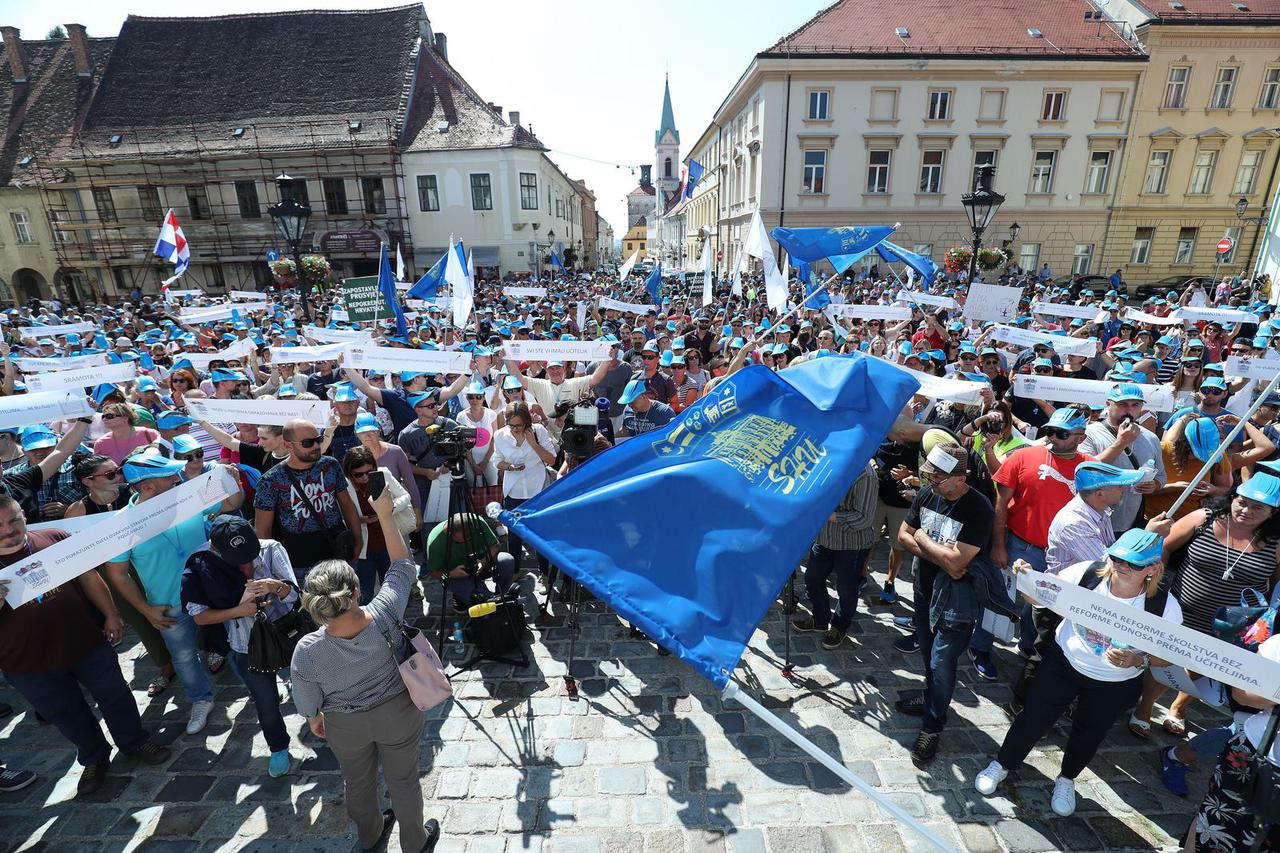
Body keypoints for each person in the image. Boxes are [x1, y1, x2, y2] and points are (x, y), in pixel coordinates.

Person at [976, 529, 1180, 818]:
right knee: (1033, 718)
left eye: (1133, 564)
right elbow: (1041, 600)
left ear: (1153, 568)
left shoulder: (1164, 605)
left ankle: (1067, 779)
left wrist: (1139, 658)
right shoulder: (1088, 573)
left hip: (1114, 683)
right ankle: (1002, 763)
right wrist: (1030, 579)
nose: (1121, 567)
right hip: (1065, 663)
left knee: (1090, 733)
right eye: (1117, 559)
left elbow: (1167, 657)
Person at [290, 486, 442, 853]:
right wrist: (386, 515)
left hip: (346, 724)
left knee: (356, 783)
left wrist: (314, 719)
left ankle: (370, 837)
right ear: (356, 590)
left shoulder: (307, 650)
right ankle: (415, 842)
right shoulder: (385, 611)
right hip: (398, 712)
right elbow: (403, 565)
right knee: (404, 781)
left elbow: (308, 704)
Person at [0, 494, 171, 795]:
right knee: (67, 714)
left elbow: (89, 577)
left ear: (23, 516)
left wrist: (111, 615)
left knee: (116, 695)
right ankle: (94, 757)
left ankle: (134, 741)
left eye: (13, 519)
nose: (7, 529)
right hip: (28, 662)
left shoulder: (54, 537)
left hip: (85, 641)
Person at [1133, 474, 1280, 746]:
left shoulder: (1276, 543)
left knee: (1202, 666)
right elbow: (1164, 546)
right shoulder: (1204, 517)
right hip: (1180, 609)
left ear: (1273, 512)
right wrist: (1157, 584)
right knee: (1164, 659)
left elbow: (1274, 581)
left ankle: (1178, 707)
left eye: (1257, 508)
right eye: (1242, 502)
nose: (1246, 511)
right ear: (1233, 497)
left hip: (1230, 624)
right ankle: (1145, 706)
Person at [104, 449, 241, 735]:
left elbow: (231, 504)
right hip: (167, 605)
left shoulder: (187, 497)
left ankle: (254, 685)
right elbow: (118, 574)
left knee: (238, 638)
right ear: (148, 486)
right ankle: (201, 700)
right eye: (170, 475)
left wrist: (232, 483)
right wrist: (145, 610)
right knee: (184, 658)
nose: (178, 476)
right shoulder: (119, 524)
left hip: (213, 592)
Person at [893, 443, 1004, 766]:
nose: (931, 483)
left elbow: (957, 565)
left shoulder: (979, 509)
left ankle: (933, 725)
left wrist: (924, 540)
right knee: (928, 657)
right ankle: (932, 701)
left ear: (961, 477)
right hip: (924, 592)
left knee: (942, 663)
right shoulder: (929, 494)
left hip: (958, 602)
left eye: (938, 479)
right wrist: (939, 553)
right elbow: (902, 535)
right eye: (929, 476)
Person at [182, 515, 299, 778]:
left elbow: (295, 595)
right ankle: (278, 747)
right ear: (216, 550)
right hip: (246, 644)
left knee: (308, 686)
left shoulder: (272, 549)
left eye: (249, 554)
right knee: (265, 701)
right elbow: (199, 616)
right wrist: (239, 610)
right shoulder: (201, 562)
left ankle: (320, 723)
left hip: (286, 633)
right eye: (237, 559)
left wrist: (275, 587)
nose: (246, 564)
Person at [984, 407, 1094, 666]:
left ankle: (1027, 647)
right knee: (1000, 598)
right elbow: (1000, 505)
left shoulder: (1091, 468)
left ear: (1080, 436)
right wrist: (998, 545)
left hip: (1063, 558)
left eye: (1061, 433)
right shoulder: (1023, 457)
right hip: (1020, 546)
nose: (1053, 437)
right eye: (1049, 431)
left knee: (1040, 607)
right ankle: (981, 648)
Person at [254, 418, 362, 585]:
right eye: (307, 443)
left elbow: (346, 504)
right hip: (299, 564)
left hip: (338, 552)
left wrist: (357, 539)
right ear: (288, 445)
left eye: (317, 440)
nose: (316, 446)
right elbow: (263, 530)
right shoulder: (270, 480)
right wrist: (273, 568)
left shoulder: (330, 465)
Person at [793, 462, 879, 649]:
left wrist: (833, 516)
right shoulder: (828, 463)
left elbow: (864, 518)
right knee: (813, 579)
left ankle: (839, 627)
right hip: (824, 539)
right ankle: (819, 620)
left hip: (851, 545)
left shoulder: (866, 475)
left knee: (847, 589)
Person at [1082, 384, 1165, 534]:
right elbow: (1085, 471)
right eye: (1122, 404)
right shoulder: (1089, 433)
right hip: (1093, 521)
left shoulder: (1151, 438)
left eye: (1135, 405)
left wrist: (1154, 485)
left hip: (1132, 522)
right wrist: (1121, 443)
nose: (1129, 410)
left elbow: (1161, 477)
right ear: (1108, 404)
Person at [342, 446, 416, 605]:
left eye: (369, 472)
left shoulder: (383, 474)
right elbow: (340, 514)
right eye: (358, 474)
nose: (365, 478)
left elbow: (405, 496)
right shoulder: (343, 485)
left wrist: (388, 509)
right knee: (364, 594)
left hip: (388, 543)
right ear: (349, 473)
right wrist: (356, 520)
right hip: (363, 548)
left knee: (393, 591)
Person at [493, 401, 558, 577]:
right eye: (511, 425)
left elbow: (552, 460)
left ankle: (545, 575)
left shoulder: (538, 431)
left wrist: (533, 443)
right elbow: (496, 460)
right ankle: (514, 573)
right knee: (514, 535)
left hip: (537, 491)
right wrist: (510, 467)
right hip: (513, 491)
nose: (515, 429)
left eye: (519, 425)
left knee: (539, 536)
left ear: (527, 422)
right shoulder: (500, 435)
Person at [424, 512, 517, 607]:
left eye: (469, 537)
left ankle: (502, 595)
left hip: (481, 564)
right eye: (459, 541)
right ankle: (476, 599)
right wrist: (451, 573)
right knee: (482, 601)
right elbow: (433, 572)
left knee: (506, 560)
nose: (465, 541)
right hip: (456, 575)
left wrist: (483, 562)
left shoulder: (478, 522)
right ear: (449, 532)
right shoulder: (435, 542)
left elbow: (495, 545)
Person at [92, 402, 160, 464]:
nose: (104, 419)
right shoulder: (101, 443)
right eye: (103, 416)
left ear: (125, 418)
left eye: (109, 416)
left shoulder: (150, 434)